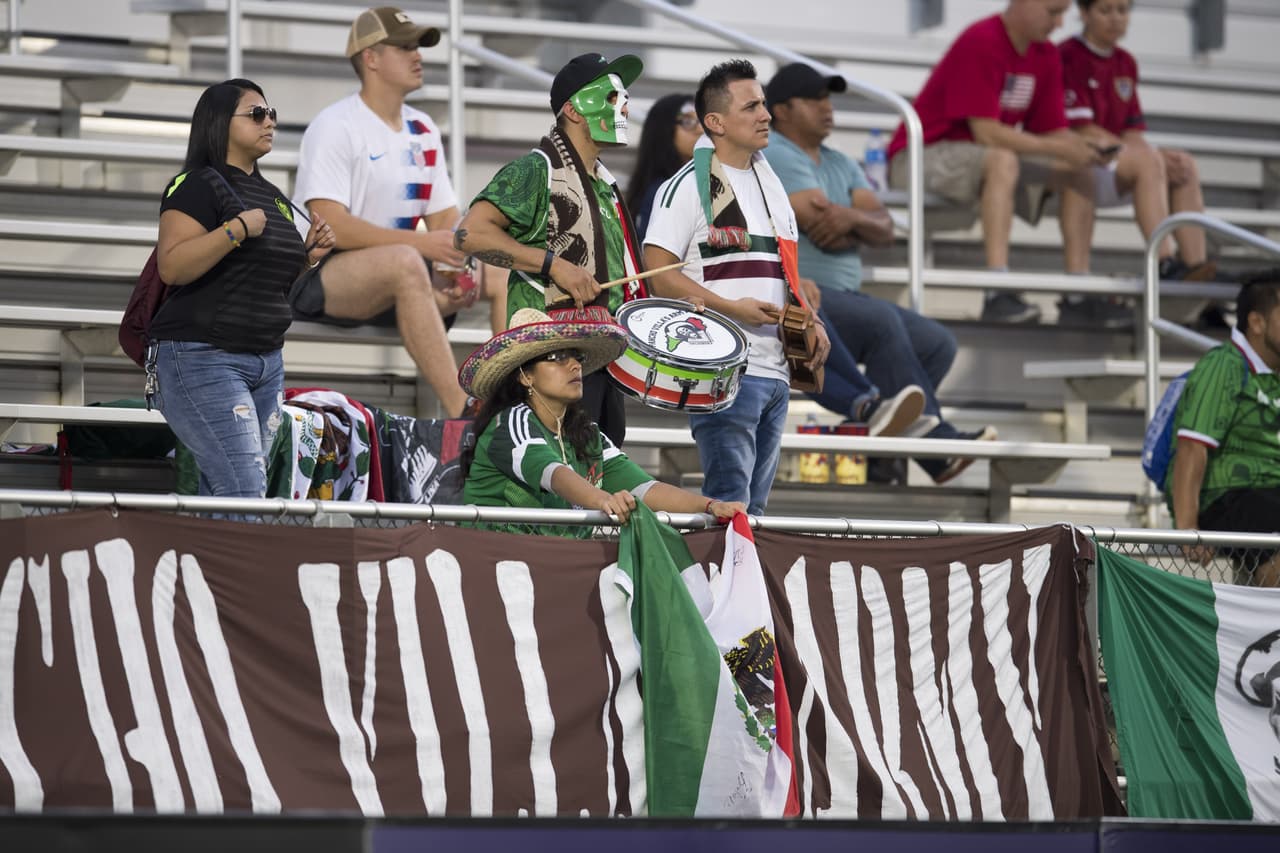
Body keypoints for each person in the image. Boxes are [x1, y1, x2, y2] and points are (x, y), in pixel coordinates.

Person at [631, 86, 925, 440]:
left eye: (698, 119)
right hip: (705, 328)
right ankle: (866, 404)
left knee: (805, 316)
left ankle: (872, 406)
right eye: (685, 120)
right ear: (662, 132)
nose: (697, 128)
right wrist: (735, 304)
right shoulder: (669, 191)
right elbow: (661, 272)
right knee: (733, 488)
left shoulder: (736, 183)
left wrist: (792, 283)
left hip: (751, 328)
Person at [765, 62, 998, 484]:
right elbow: (819, 217)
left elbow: (885, 228)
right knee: (883, 321)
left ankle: (885, 439)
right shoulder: (777, 150)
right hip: (803, 296)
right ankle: (935, 445)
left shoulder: (840, 161)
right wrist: (861, 223)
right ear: (781, 110)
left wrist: (848, 221)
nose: (826, 107)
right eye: (814, 98)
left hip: (845, 297)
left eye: (828, 98)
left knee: (936, 343)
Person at [643, 59, 831, 515]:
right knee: (732, 508)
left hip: (775, 368)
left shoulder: (772, 185)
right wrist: (731, 308)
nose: (765, 115)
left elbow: (780, 272)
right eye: (752, 107)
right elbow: (655, 273)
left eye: (764, 104)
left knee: (755, 513)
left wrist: (809, 315)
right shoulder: (685, 186)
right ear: (716, 122)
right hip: (724, 368)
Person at [151, 78, 335, 498]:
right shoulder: (197, 183)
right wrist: (235, 230)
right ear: (219, 123)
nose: (268, 122)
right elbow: (173, 266)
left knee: (227, 491)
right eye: (256, 114)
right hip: (203, 356)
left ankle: (206, 563)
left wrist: (309, 259)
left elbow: (267, 285)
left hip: (265, 362)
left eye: (272, 114)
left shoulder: (273, 197)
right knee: (245, 492)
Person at [291, 6, 475, 418]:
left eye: (418, 47)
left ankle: (518, 403)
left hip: (397, 277)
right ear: (370, 58)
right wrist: (424, 244)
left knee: (497, 270)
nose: (417, 55)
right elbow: (329, 226)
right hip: (320, 274)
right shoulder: (335, 124)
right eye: (404, 46)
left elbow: (446, 219)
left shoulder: (422, 126)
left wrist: (462, 268)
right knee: (406, 260)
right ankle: (465, 415)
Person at [456, 52, 648, 447]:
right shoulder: (536, 169)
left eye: (624, 96)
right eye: (612, 98)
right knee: (562, 478)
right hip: (551, 360)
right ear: (574, 110)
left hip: (600, 354)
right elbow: (469, 234)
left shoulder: (604, 186)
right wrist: (553, 265)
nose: (625, 105)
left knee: (599, 476)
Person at [887, 0, 1106, 325]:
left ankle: (1077, 293)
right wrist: (1063, 148)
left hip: (980, 159)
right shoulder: (982, 40)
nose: (1060, 24)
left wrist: (1090, 148)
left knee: (1079, 171)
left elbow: (1052, 132)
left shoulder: (1044, 54)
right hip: (917, 158)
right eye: (1053, 12)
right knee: (1003, 160)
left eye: (1063, 13)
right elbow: (987, 133)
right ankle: (996, 290)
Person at [459, 308, 747, 537]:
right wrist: (601, 500)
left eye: (577, 357)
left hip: (549, 567)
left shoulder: (587, 433)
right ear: (525, 376)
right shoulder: (510, 422)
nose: (574, 365)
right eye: (557, 357)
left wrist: (709, 505)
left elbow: (645, 489)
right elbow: (552, 473)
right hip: (494, 564)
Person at [1058, 0, 1215, 314]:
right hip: (1080, 162)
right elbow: (1083, 128)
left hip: (1116, 160)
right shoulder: (1068, 55)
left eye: (1123, 10)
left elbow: (1132, 131)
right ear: (1085, 13)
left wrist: (1159, 156)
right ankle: (1163, 262)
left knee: (1183, 165)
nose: (1116, 19)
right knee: (1148, 160)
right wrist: (1146, 155)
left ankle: (1195, 272)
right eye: (1106, 10)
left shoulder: (1125, 62)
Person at [1168, 269, 1280, 587]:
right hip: (1227, 498)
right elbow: (1192, 447)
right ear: (1257, 323)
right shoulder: (1224, 366)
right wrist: (1189, 529)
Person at [627, 93, 702, 236]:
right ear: (663, 130)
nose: (701, 130)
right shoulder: (661, 191)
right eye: (688, 122)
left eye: (702, 121)